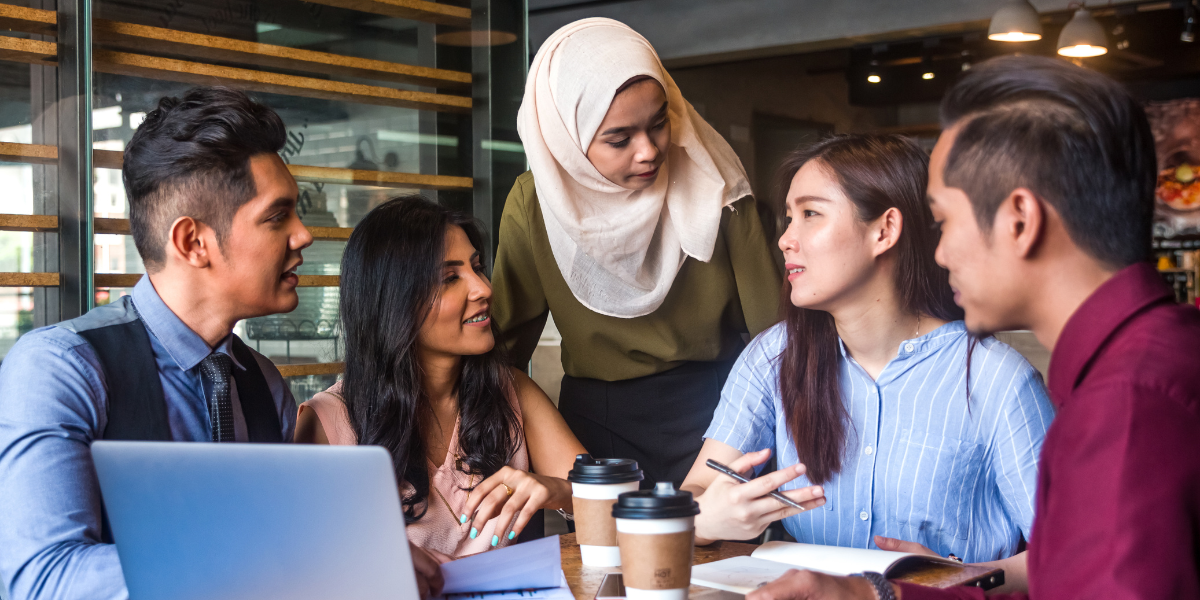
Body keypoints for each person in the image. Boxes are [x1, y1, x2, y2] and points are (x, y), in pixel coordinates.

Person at [746, 56, 1200, 600]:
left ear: (1019, 221)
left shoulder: (1126, 402)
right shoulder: (1153, 356)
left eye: (943, 223)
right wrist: (881, 593)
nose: (937, 252)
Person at [0, 87, 442, 600]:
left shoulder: (263, 384)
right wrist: (308, 557)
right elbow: (43, 579)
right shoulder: (61, 367)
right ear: (193, 242)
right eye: (277, 217)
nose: (303, 235)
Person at [681, 134, 1053, 590]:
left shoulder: (997, 379)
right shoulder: (772, 357)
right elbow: (696, 491)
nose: (784, 239)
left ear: (884, 230)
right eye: (789, 217)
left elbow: (1068, 555)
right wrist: (705, 519)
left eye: (810, 214)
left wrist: (965, 578)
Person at [492, 18, 782, 488]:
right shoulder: (536, 201)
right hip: (597, 423)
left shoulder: (715, 183)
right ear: (568, 140)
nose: (648, 151)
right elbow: (505, 341)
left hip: (719, 412)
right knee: (607, 558)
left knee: (727, 558)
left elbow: (776, 333)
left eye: (658, 124)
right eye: (619, 138)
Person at [295, 196, 587, 558]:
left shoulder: (510, 389)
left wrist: (557, 491)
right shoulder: (326, 422)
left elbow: (614, 504)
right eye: (450, 278)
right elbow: (305, 566)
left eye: (477, 268)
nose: (484, 289)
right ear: (394, 304)